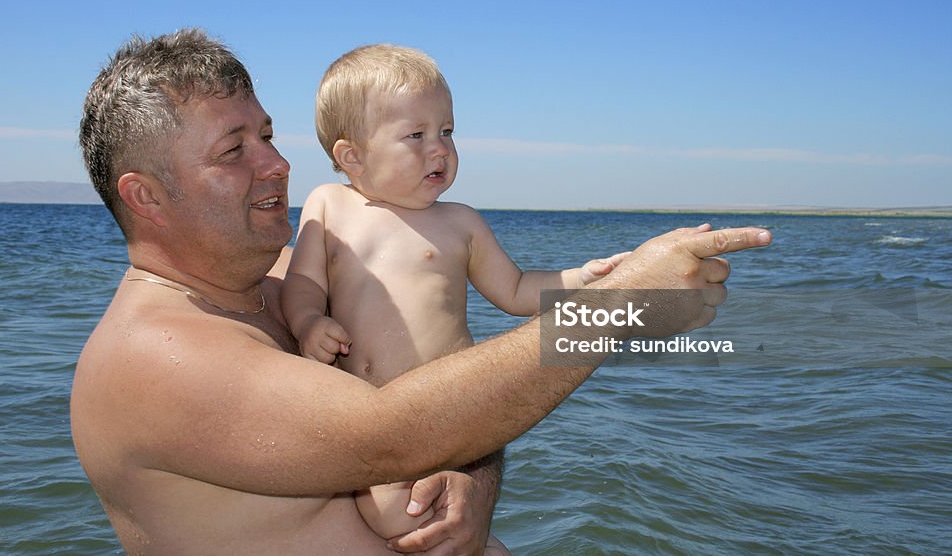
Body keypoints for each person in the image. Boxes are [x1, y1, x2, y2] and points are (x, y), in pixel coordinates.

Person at [71, 28, 772, 556]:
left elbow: (445, 401)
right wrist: (617, 308)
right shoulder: (154, 352)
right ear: (146, 196)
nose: (278, 163)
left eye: (267, 135)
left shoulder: (289, 287)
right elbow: (391, 436)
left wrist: (472, 476)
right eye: (235, 151)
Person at [282, 44, 630, 546]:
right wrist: (308, 322)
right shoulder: (330, 206)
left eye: (446, 131)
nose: (440, 148)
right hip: (377, 420)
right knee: (400, 518)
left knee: (449, 519)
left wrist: (583, 278)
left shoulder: (461, 223)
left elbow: (515, 290)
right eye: (416, 135)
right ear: (351, 155)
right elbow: (303, 281)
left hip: (458, 412)